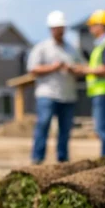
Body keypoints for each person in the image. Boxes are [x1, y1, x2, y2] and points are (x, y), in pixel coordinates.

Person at [26, 10, 84, 164]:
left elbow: (82, 68)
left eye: (61, 28)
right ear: (51, 29)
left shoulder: (72, 49)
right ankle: (37, 158)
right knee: (43, 124)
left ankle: (62, 159)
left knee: (65, 129)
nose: (59, 31)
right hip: (47, 94)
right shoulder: (42, 48)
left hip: (68, 95)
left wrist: (72, 69)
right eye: (57, 28)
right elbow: (33, 69)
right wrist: (53, 67)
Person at [73, 9, 105, 157]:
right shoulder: (103, 45)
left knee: (103, 127)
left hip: (104, 91)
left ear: (101, 26)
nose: (90, 29)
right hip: (103, 91)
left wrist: (83, 70)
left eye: (92, 25)